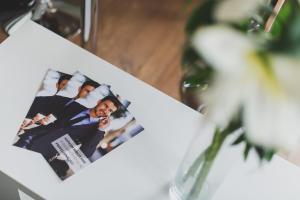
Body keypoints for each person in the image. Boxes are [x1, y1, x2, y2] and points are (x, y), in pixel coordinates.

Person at [14, 96, 120, 149]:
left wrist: (100, 129)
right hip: (28, 138)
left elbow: (86, 153)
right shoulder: (74, 105)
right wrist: (27, 117)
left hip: (43, 153)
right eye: (105, 106)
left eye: (110, 111)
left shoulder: (96, 131)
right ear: (99, 102)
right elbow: (40, 101)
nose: (106, 111)